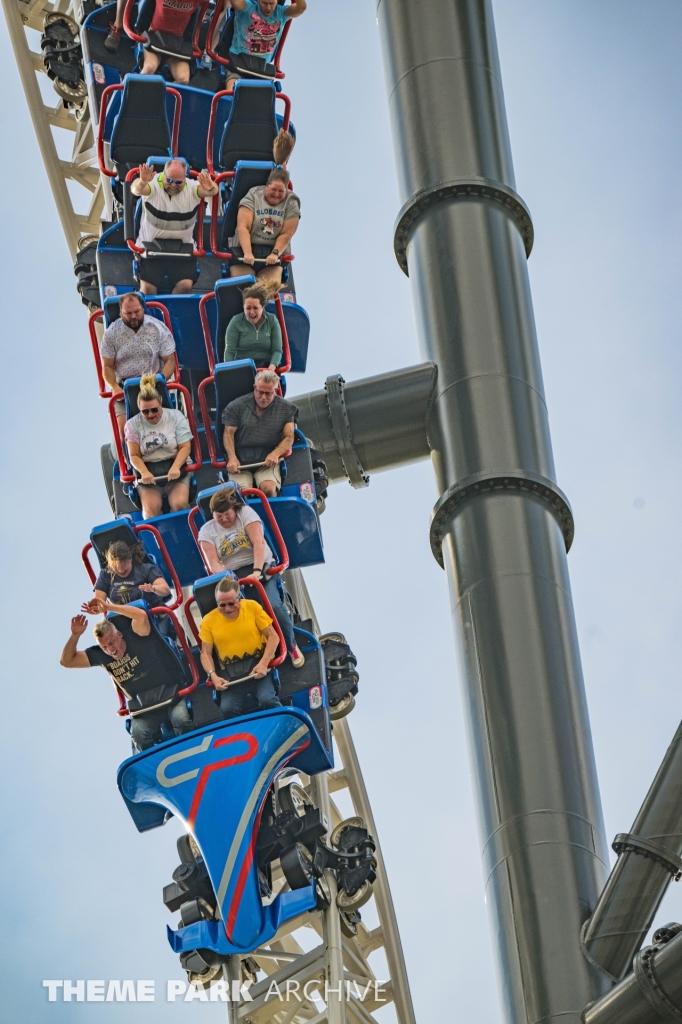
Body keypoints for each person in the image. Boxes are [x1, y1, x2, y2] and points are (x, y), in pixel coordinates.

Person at [60, 600, 192, 751]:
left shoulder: (135, 636)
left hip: (171, 694)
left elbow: (142, 616)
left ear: (120, 635)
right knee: (138, 733)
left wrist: (109, 607)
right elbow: (66, 661)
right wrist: (75, 635)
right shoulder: (100, 655)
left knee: (180, 719)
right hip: (145, 707)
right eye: (104, 647)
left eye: (112, 642)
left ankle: (189, 750)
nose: (110, 650)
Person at [198, 486, 304, 666]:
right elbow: (213, 563)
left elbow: (258, 543)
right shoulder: (206, 531)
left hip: (259, 565)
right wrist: (229, 578)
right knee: (233, 610)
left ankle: (291, 643)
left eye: (227, 514)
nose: (224, 519)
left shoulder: (245, 513)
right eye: (219, 516)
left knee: (272, 605)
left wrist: (256, 571)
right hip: (232, 574)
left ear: (234, 509)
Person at [199, 575, 281, 719]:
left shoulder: (252, 607)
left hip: (257, 665)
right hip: (231, 675)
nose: (227, 609)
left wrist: (263, 663)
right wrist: (213, 676)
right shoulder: (208, 621)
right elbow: (205, 653)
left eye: (231, 603)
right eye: (222, 605)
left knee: (267, 700)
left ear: (239, 598)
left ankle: (282, 721)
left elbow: (273, 637)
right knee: (227, 709)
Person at [131, 159, 218, 296]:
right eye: (169, 180)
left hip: (181, 251)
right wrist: (142, 181)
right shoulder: (153, 185)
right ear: (164, 175)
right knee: (148, 290)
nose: (173, 185)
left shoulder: (191, 187)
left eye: (178, 182)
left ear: (185, 179)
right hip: (151, 249)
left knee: (185, 287)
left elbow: (212, 191)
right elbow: (136, 189)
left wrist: (210, 187)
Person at [229, 132, 299, 296]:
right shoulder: (254, 194)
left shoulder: (291, 201)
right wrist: (247, 252)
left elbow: (287, 232)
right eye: (273, 190)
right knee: (245, 289)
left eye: (281, 191)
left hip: (271, 257)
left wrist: (275, 253)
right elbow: (243, 226)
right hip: (245, 253)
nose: (276, 194)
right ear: (266, 186)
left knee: (263, 291)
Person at [100, 292, 176, 437]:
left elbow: (169, 361)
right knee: (124, 432)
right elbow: (107, 367)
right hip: (124, 386)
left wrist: (160, 379)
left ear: (143, 309)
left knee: (167, 427)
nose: (133, 316)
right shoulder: (111, 334)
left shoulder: (157, 328)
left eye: (136, 312)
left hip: (152, 381)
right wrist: (114, 388)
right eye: (128, 313)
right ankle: (128, 456)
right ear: (121, 313)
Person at [124, 373, 193, 518]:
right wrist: (144, 473)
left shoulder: (175, 416)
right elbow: (134, 455)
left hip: (175, 467)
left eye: (154, 410)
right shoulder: (132, 425)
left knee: (179, 504)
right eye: (145, 412)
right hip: (149, 472)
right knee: (150, 512)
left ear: (160, 404)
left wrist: (175, 467)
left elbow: (185, 447)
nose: (150, 415)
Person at [222, 369, 296, 495]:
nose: (263, 397)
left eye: (268, 394)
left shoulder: (286, 408)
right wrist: (232, 457)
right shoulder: (236, 406)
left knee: (268, 489)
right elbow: (228, 433)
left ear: (275, 391)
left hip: (266, 459)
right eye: (260, 392)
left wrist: (275, 454)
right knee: (241, 494)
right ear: (254, 388)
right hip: (240, 461)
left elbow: (289, 437)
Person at [224, 0, 307, 84]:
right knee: (234, 82)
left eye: (271, 3)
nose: (268, 7)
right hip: (238, 60)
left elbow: (301, 8)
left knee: (265, 91)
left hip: (262, 68)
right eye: (264, 3)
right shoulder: (248, 7)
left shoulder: (280, 13)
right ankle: (230, 95)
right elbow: (236, 2)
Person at [94, 539, 171, 609]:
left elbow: (166, 590)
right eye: (115, 567)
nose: (121, 570)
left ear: (130, 559)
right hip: (120, 617)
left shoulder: (145, 569)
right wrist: (94, 607)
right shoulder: (105, 574)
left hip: (150, 614)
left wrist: (153, 588)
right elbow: (99, 604)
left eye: (124, 565)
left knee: (138, 617)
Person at [224, 283, 282, 370]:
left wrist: (271, 369)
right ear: (243, 307)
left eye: (255, 308)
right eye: (248, 308)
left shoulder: (272, 320)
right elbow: (230, 351)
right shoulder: (236, 322)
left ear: (262, 307)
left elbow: (277, 350)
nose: (252, 312)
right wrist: (230, 371)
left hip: (266, 368)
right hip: (242, 367)